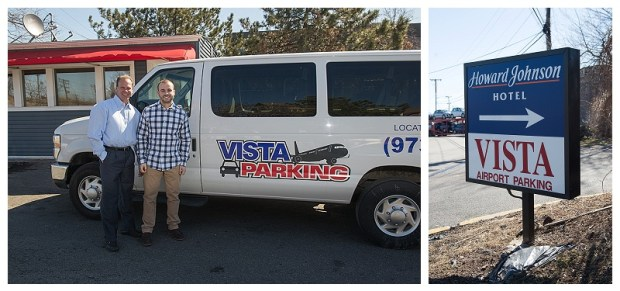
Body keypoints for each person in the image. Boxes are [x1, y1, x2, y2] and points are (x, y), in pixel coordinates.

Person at [87, 75, 142, 252]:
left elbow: (138, 137)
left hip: (128, 156)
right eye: (122, 87)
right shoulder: (103, 108)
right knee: (110, 199)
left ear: (132, 89)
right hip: (111, 157)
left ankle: (128, 227)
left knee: (126, 194)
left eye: (129, 88)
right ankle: (110, 237)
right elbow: (94, 135)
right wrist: (103, 155)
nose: (126, 91)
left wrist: (137, 158)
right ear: (116, 88)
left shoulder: (134, 112)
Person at [136, 79, 191, 247]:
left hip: (173, 162)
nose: (166, 93)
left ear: (174, 92)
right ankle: (147, 230)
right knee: (149, 197)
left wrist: (183, 161)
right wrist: (142, 160)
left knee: (173, 197)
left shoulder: (181, 113)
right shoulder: (148, 111)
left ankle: (173, 226)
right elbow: (141, 137)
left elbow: (185, 139)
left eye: (169, 90)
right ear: (158, 92)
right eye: (162, 90)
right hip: (152, 163)